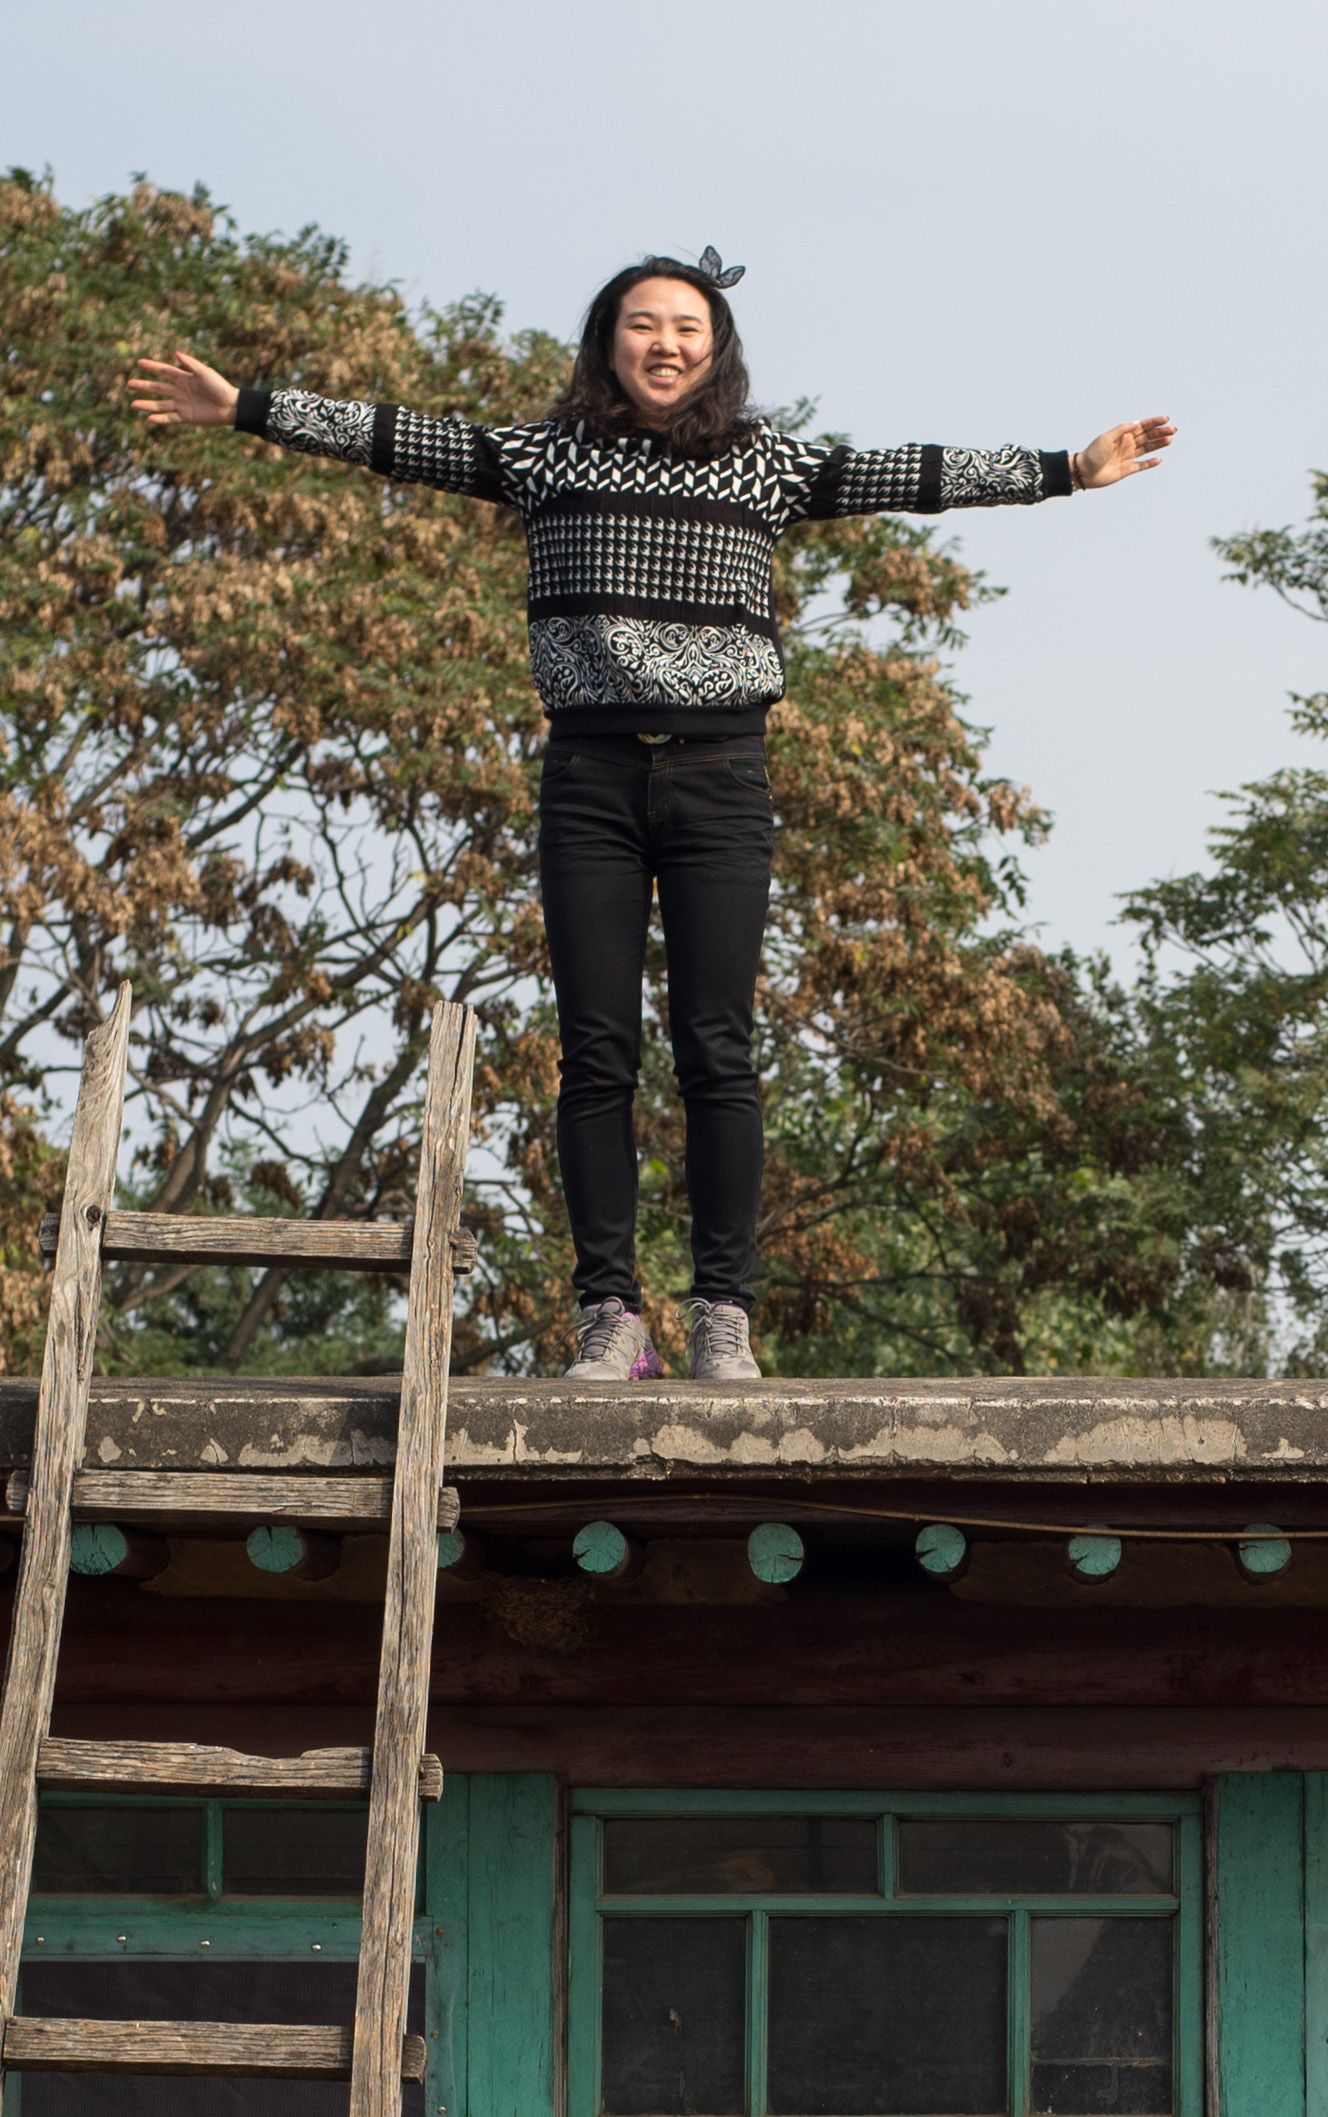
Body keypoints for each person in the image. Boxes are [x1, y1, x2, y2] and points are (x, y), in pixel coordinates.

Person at [127, 260, 1173, 1383]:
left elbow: (905, 473)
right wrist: (246, 408)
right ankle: (610, 1315)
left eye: (686, 327)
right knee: (597, 1052)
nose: (665, 344)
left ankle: (724, 1311)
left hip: (721, 777)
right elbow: (401, 438)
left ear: (715, 349)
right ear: (607, 341)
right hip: (592, 777)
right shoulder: (544, 457)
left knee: (717, 1046)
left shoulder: (763, 463)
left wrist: (1066, 471)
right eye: (642, 324)